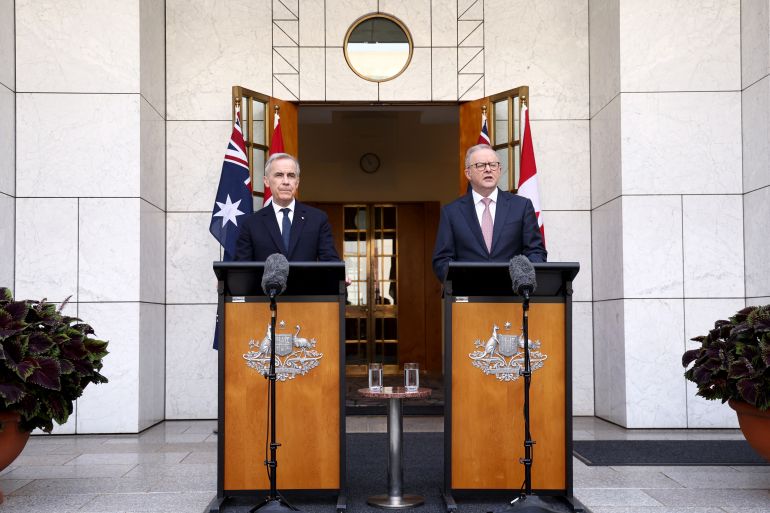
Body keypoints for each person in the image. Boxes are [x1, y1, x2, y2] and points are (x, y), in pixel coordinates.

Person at [432, 144, 546, 281]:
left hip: (512, 295)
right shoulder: (451, 212)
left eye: (493, 165)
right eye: (480, 165)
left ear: (499, 170)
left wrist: (522, 277)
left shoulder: (521, 206)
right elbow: (442, 261)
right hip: (469, 295)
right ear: (468, 173)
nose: (488, 169)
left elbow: (536, 252)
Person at [235, 153, 340, 262]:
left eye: (291, 175)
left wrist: (340, 277)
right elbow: (241, 269)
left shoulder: (317, 219)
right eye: (279, 175)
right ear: (266, 181)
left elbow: (330, 263)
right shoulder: (251, 223)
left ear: (297, 182)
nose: (286, 182)